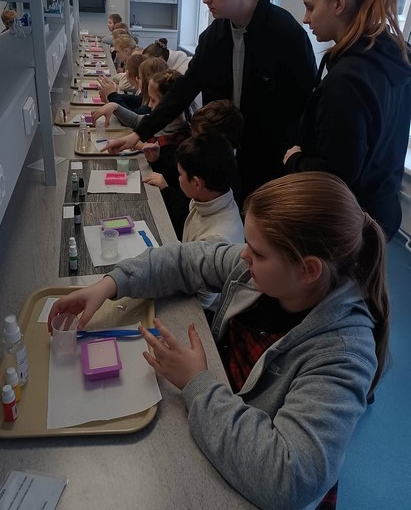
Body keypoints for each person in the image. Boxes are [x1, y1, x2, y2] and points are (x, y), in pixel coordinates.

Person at [48, 171, 389, 510]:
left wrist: (197, 382)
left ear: (308, 270)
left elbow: (290, 477)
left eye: (258, 253)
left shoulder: (344, 353)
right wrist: (109, 285)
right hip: (224, 411)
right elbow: (184, 259)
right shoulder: (263, 272)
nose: (243, 256)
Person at [103, 0, 316, 202]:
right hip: (220, 156)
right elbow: (183, 91)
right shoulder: (214, 37)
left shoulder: (286, 35)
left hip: (268, 162)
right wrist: (138, 133)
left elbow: (305, 106)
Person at [283, 0, 411, 241]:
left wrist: (295, 160)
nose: (305, 18)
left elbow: (336, 177)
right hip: (382, 214)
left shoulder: (346, 83)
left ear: (338, 3)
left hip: (349, 227)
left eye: (310, 7)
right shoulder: (393, 57)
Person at [143, 99, 244, 238]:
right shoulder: (207, 187)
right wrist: (157, 161)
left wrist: (167, 191)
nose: (192, 139)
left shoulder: (216, 236)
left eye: (198, 137)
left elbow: (184, 215)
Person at [174, 132, 245, 312]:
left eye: (180, 174)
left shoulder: (217, 238)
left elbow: (201, 302)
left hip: (202, 313)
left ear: (197, 183)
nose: (178, 179)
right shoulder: (207, 198)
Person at [92, 57, 168, 127]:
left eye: (140, 78)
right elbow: (131, 100)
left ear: (148, 82)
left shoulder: (151, 105)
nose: (137, 79)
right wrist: (109, 95)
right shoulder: (145, 97)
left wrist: (112, 95)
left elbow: (132, 119)